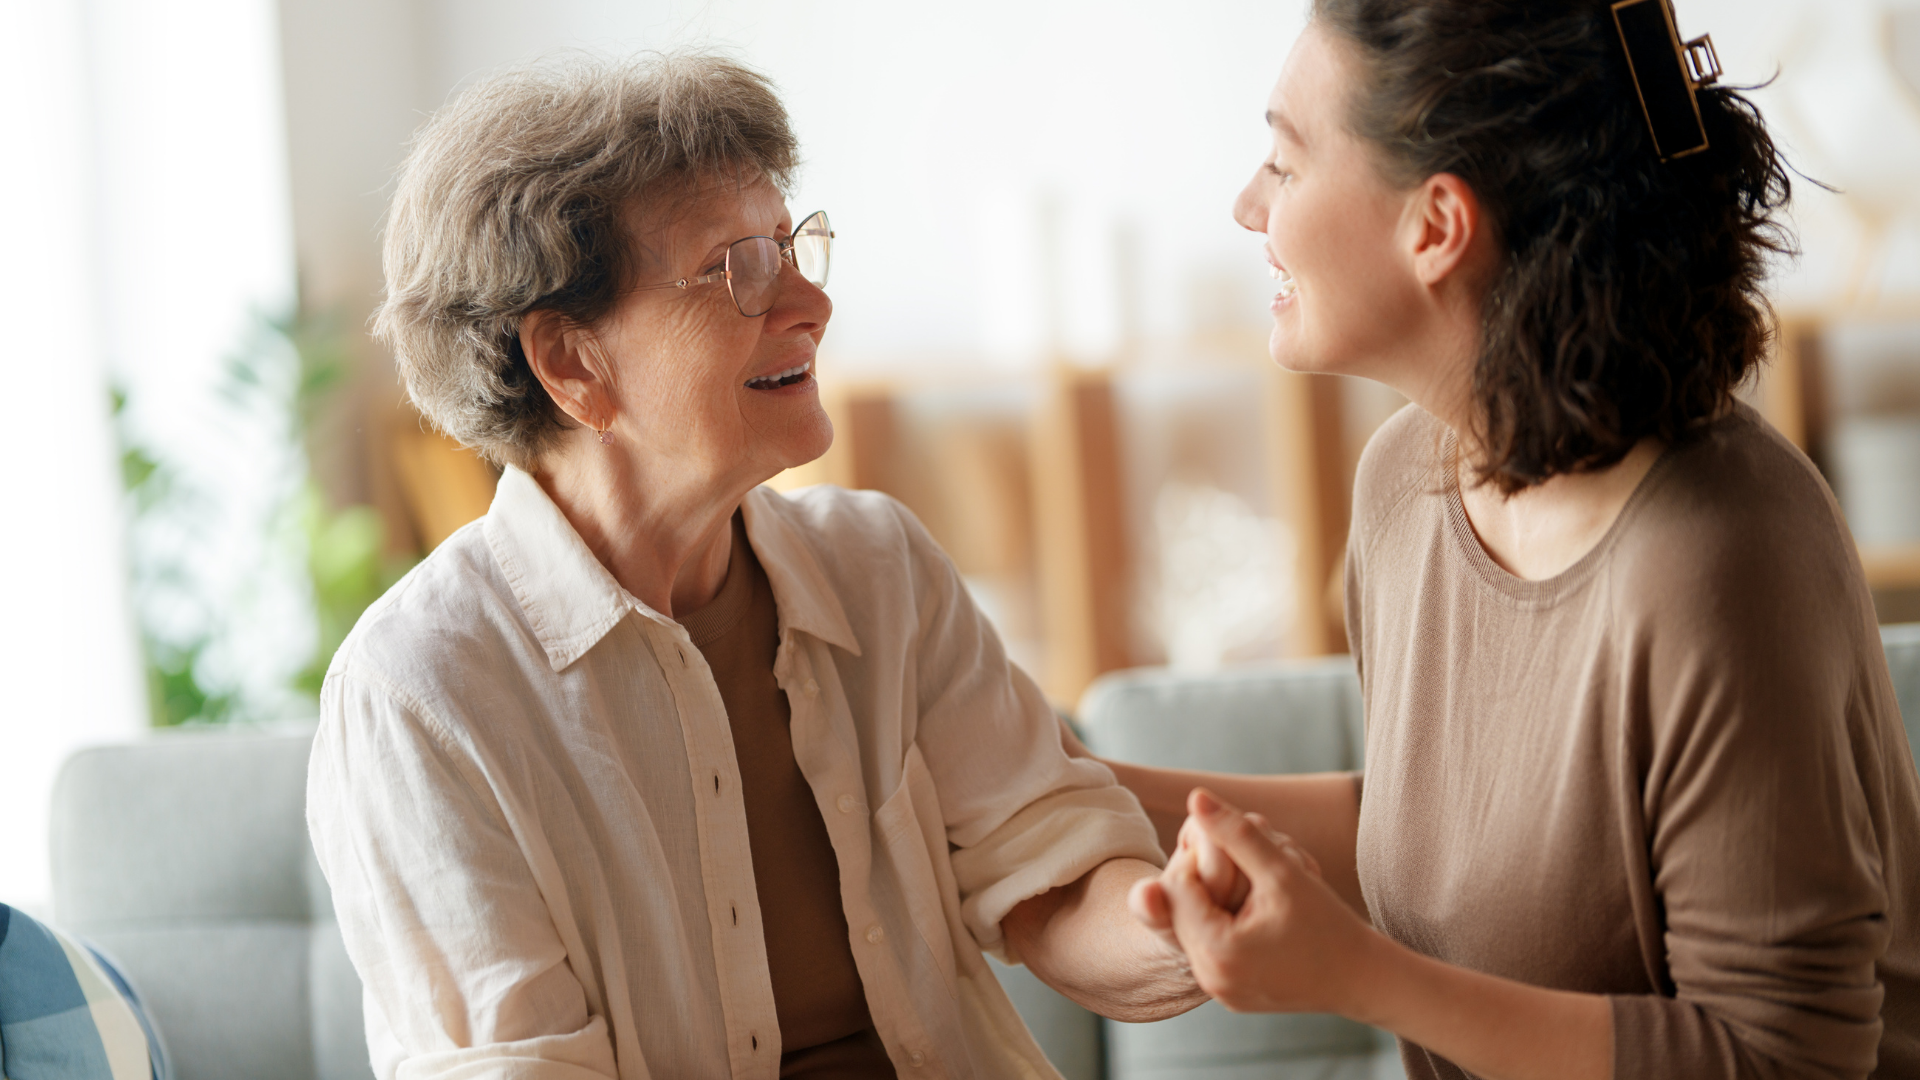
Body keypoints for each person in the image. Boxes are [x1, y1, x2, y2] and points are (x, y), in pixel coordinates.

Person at [306, 54, 1203, 1080]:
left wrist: (1184, 931)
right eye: (738, 266)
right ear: (569, 362)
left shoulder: (881, 568)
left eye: (790, 244)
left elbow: (1051, 879)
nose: (810, 303)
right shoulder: (418, 692)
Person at [1099, 3, 1920, 1078]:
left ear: (1437, 226)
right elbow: (1450, 835)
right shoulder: (1405, 482)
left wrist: (1355, 975)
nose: (1248, 205)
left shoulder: (1719, 557)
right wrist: (1066, 777)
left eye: (1284, 166)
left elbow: (1783, 1059)